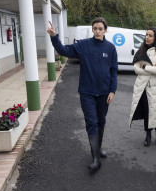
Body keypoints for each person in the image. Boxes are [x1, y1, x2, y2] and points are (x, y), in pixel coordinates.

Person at [47, 17, 118, 170]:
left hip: (104, 92)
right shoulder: (84, 45)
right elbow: (64, 50)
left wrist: (112, 91)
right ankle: (95, 159)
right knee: (91, 121)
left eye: (100, 28)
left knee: (101, 121)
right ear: (92, 30)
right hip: (87, 92)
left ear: (105, 30)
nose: (97, 31)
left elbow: (113, 71)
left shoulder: (111, 48)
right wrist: (54, 36)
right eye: (95, 28)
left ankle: (98, 149)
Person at [128, 27, 156, 147]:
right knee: (147, 111)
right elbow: (135, 69)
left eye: (150, 35)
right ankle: (148, 135)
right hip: (143, 86)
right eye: (146, 35)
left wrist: (144, 67)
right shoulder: (141, 51)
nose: (147, 37)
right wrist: (152, 69)